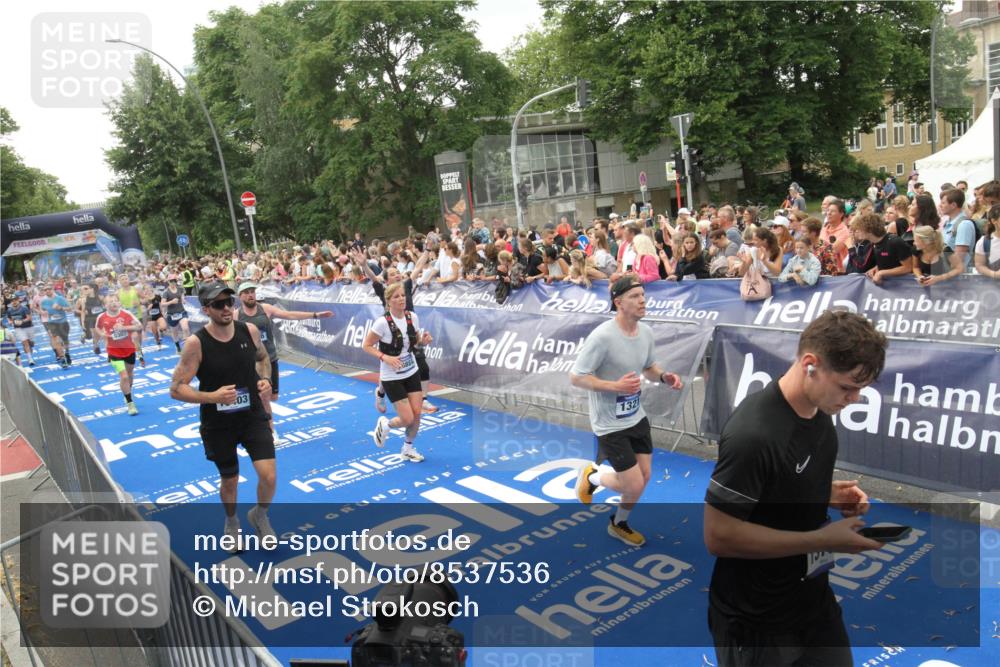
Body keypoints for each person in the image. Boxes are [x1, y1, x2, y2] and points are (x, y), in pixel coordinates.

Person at [704, 309, 889, 667]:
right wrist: (824, 539)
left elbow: (780, 485)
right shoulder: (753, 435)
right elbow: (719, 536)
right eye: (847, 387)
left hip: (812, 602)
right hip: (756, 619)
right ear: (810, 364)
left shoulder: (819, 418)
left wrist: (826, 494)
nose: (854, 400)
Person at [571, 275, 684, 546]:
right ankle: (593, 476)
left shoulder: (646, 332)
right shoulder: (602, 337)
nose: (642, 300)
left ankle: (619, 523)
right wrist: (615, 386)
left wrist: (663, 376)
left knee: (644, 478)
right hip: (609, 423)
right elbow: (576, 377)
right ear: (618, 302)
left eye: (643, 295)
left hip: (636, 416)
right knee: (632, 484)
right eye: (635, 296)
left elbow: (648, 366)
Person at [169, 283, 277, 548]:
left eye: (229, 301)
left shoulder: (248, 330)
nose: (227, 307)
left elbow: (263, 357)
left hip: (252, 415)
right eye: (219, 304)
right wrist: (212, 397)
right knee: (229, 481)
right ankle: (231, 522)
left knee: (269, 476)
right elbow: (176, 389)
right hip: (219, 423)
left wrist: (264, 379)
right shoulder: (196, 343)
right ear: (206, 309)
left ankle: (259, 516)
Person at [234, 282, 333, 437]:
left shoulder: (264, 308)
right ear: (240, 296)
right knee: (263, 396)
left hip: (270, 358)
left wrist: (315, 315)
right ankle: (270, 430)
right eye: (246, 292)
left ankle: (257, 416)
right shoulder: (236, 315)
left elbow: (289, 315)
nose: (250, 295)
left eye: (252, 291)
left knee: (272, 397)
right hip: (251, 362)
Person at [364, 282, 434, 463]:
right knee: (407, 418)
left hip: (411, 372)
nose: (401, 299)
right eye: (396, 296)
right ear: (388, 301)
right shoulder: (382, 323)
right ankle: (385, 425)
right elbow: (366, 345)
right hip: (391, 377)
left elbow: (416, 342)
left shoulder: (412, 317)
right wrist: (384, 357)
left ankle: (407, 449)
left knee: (417, 414)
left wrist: (423, 342)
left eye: (403, 295)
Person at [94, 294, 143, 415]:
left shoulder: (126, 314)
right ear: (105, 305)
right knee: (124, 376)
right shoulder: (102, 317)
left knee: (130, 374)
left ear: (119, 303)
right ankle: (130, 403)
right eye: (110, 302)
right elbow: (97, 328)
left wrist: (124, 327)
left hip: (128, 349)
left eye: (116, 301)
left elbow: (139, 326)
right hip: (113, 350)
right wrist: (103, 335)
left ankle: (128, 392)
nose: (113, 303)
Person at [117, 275, 146, 367]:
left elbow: (146, 299)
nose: (125, 280)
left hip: (137, 317)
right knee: (134, 338)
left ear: (129, 280)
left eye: (126, 278)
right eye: (122, 279)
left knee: (139, 339)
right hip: (126, 319)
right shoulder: (117, 293)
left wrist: (140, 302)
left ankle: (139, 350)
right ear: (119, 282)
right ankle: (141, 358)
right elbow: (114, 305)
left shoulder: (136, 290)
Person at [40, 284, 72, 368]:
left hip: (63, 322)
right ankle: (63, 359)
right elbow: (42, 310)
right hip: (52, 323)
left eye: (49, 289)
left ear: (52, 289)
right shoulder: (43, 301)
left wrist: (60, 308)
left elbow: (70, 308)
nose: (47, 291)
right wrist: (42, 312)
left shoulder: (60, 298)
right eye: (45, 290)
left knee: (65, 340)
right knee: (56, 340)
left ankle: (67, 353)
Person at [160, 277, 190, 352]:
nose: (173, 282)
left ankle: (187, 346)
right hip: (172, 315)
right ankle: (177, 346)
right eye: (171, 281)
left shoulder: (180, 288)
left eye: (174, 281)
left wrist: (183, 299)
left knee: (185, 328)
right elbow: (162, 304)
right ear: (168, 282)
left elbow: (182, 294)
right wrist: (171, 302)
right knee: (174, 332)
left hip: (181, 312)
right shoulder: (166, 292)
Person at [5, 293, 35, 366]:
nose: (14, 302)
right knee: (25, 342)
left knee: (31, 343)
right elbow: (8, 318)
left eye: (15, 300)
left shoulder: (24, 308)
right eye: (12, 300)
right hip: (18, 328)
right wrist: (11, 322)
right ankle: (30, 359)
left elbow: (29, 318)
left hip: (28, 327)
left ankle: (30, 350)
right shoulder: (9, 310)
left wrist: (22, 321)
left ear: (18, 300)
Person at [974, 204, 1000, 279]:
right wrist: (994, 274)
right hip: (993, 287)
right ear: (994, 221)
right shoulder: (984, 242)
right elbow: (979, 265)